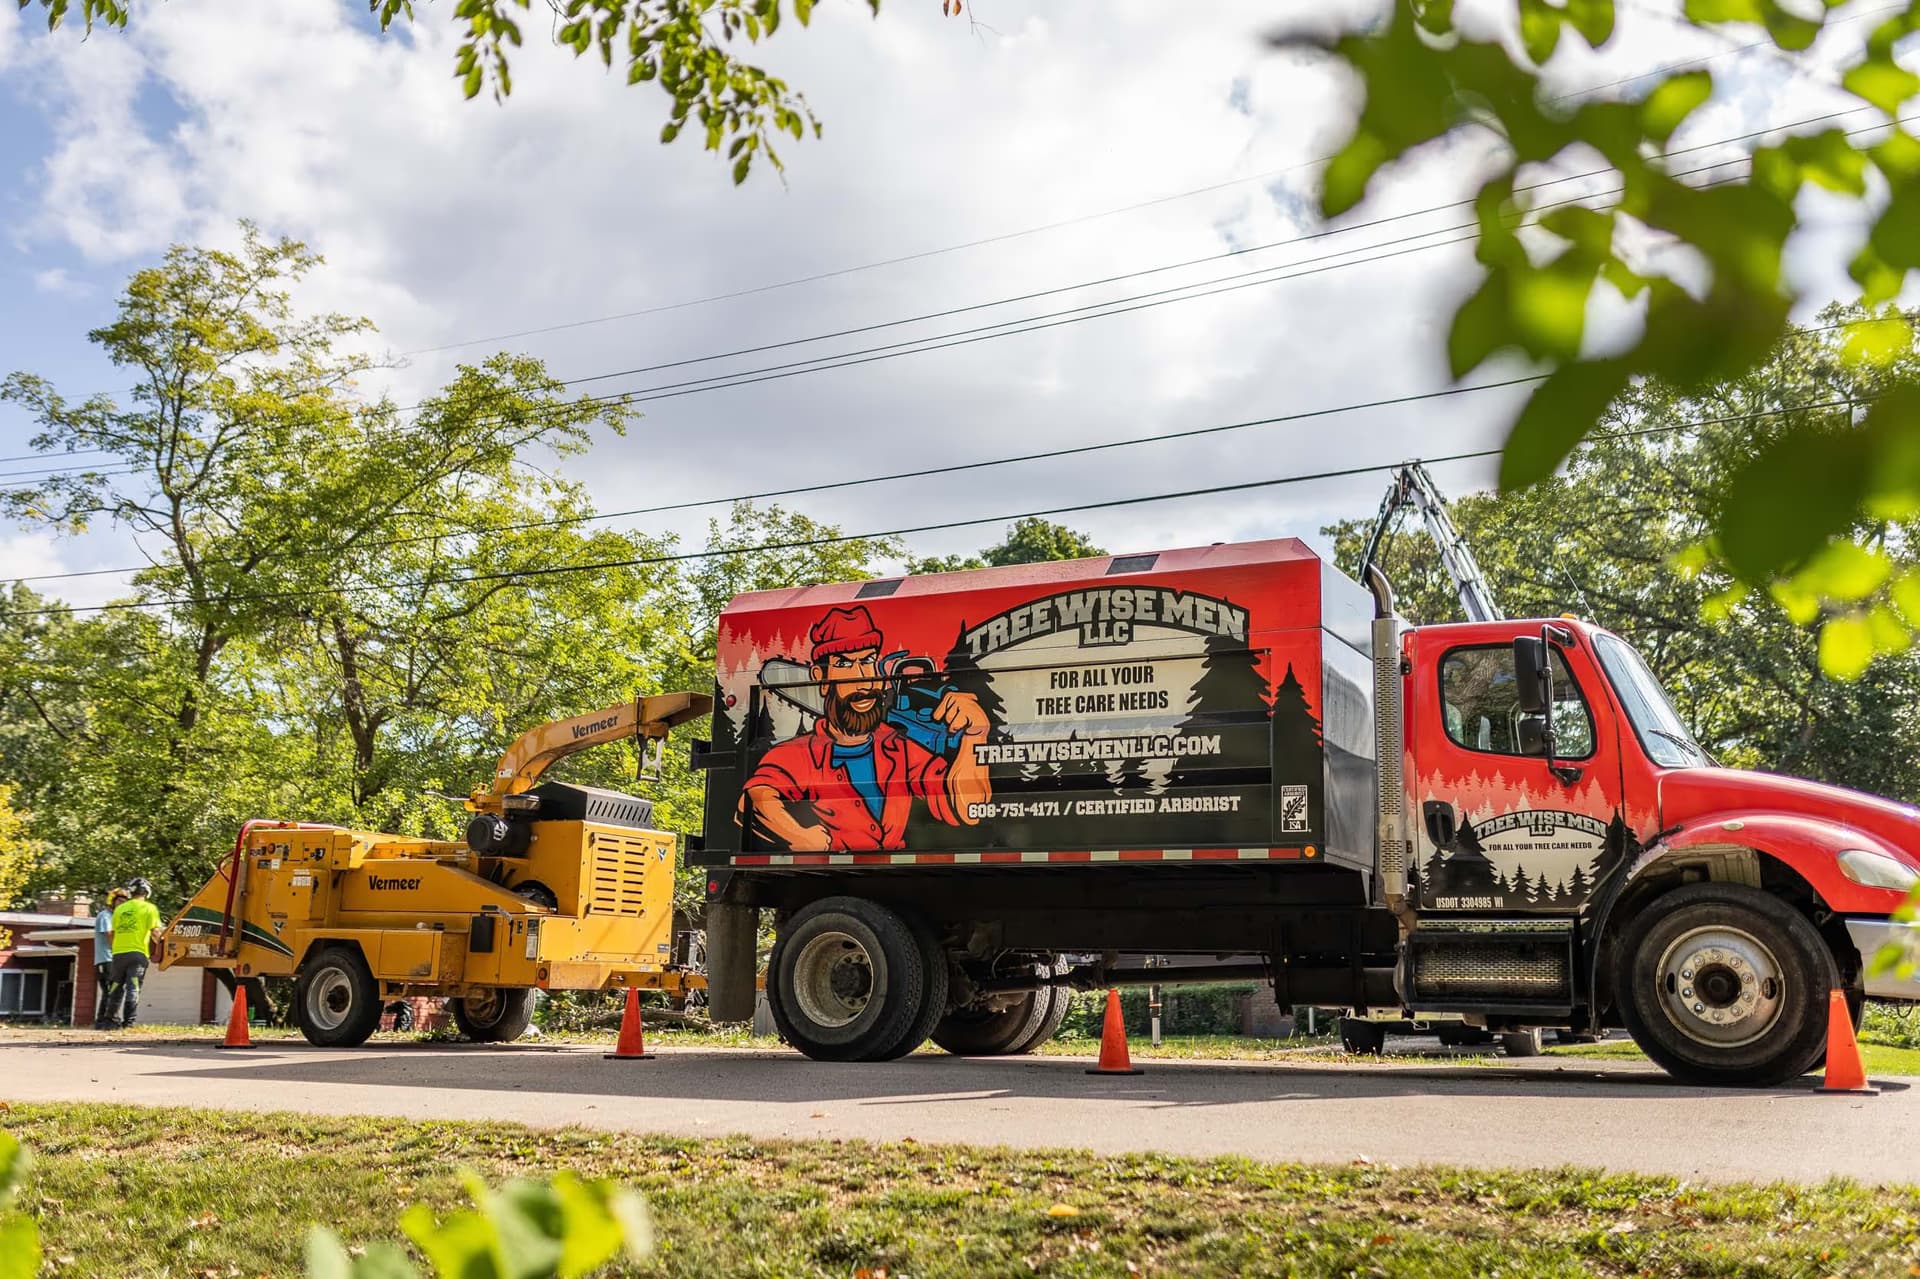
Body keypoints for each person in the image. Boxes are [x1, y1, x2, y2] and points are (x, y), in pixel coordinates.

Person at [740, 605, 990, 852]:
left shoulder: (898, 749)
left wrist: (975, 736)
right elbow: (756, 796)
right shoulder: (802, 753)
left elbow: (968, 809)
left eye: (868, 660)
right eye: (845, 664)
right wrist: (798, 837)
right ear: (820, 678)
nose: (863, 679)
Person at [100, 877, 163, 1030]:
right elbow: (156, 932)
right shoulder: (149, 908)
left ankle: (110, 1021)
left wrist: (116, 949)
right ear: (147, 892)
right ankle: (129, 1022)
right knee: (133, 987)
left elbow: (112, 934)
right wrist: (162, 948)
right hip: (138, 953)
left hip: (119, 954)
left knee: (115, 986)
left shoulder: (119, 909)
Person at [92, 887, 129, 1028]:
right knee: (110, 990)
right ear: (112, 901)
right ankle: (105, 1020)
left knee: (112, 991)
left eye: (124, 901)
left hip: (113, 959)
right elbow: (109, 935)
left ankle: (103, 1020)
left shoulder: (116, 917)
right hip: (105, 959)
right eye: (119, 901)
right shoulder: (105, 916)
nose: (122, 904)